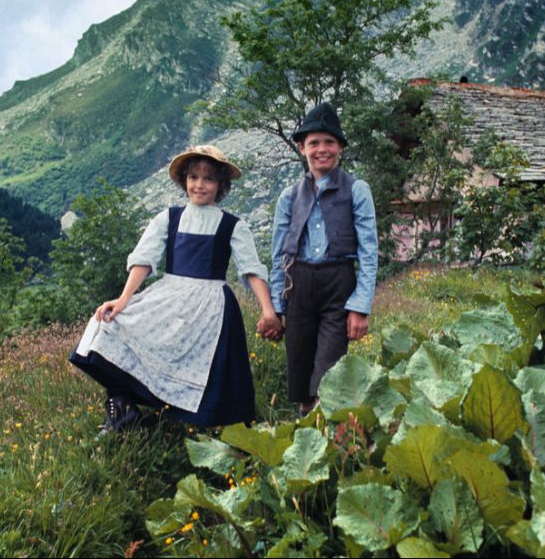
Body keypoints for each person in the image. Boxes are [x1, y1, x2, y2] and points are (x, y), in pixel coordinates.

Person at [70, 145, 283, 432]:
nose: (199, 185)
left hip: (211, 305)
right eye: (193, 177)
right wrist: (123, 300)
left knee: (214, 367)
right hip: (170, 295)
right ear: (184, 180)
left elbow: (251, 270)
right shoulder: (168, 218)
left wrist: (268, 311)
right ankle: (122, 407)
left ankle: (225, 432)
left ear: (220, 184)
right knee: (107, 326)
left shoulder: (233, 225)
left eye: (208, 179)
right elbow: (144, 260)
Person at [269, 103, 378, 416]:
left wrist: (360, 306)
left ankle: (328, 432)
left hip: (338, 286)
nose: (322, 149)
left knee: (329, 373)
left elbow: (369, 252)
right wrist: (277, 307)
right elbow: (279, 255)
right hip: (298, 286)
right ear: (302, 148)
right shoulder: (289, 196)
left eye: (329, 142)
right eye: (314, 143)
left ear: (340, 148)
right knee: (301, 373)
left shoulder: (357, 190)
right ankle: (309, 429)